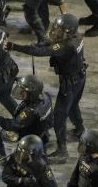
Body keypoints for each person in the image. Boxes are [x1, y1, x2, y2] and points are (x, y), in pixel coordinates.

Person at [5, 13, 86, 163]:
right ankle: (80, 129)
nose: (57, 32)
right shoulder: (77, 37)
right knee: (73, 105)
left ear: (68, 32)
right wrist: (46, 42)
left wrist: (13, 46)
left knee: (60, 117)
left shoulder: (65, 46)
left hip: (69, 84)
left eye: (61, 31)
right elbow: (54, 44)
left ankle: (62, 151)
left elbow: (41, 52)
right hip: (80, 78)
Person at [0, 74, 52, 146]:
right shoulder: (46, 96)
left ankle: (1, 154)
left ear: (32, 93)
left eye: (23, 92)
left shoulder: (30, 111)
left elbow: (12, 125)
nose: (20, 93)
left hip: (30, 137)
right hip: (41, 130)